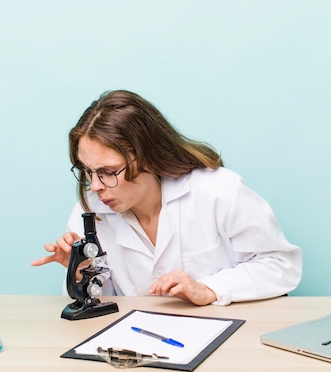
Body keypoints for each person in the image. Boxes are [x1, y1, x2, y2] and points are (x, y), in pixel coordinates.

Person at [31, 89, 302, 306]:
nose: (96, 186)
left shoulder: (218, 190)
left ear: (148, 157)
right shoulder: (90, 213)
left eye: (109, 172)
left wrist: (209, 288)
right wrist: (80, 272)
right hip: (140, 346)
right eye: (88, 171)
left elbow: (281, 266)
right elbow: (106, 301)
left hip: (228, 344)